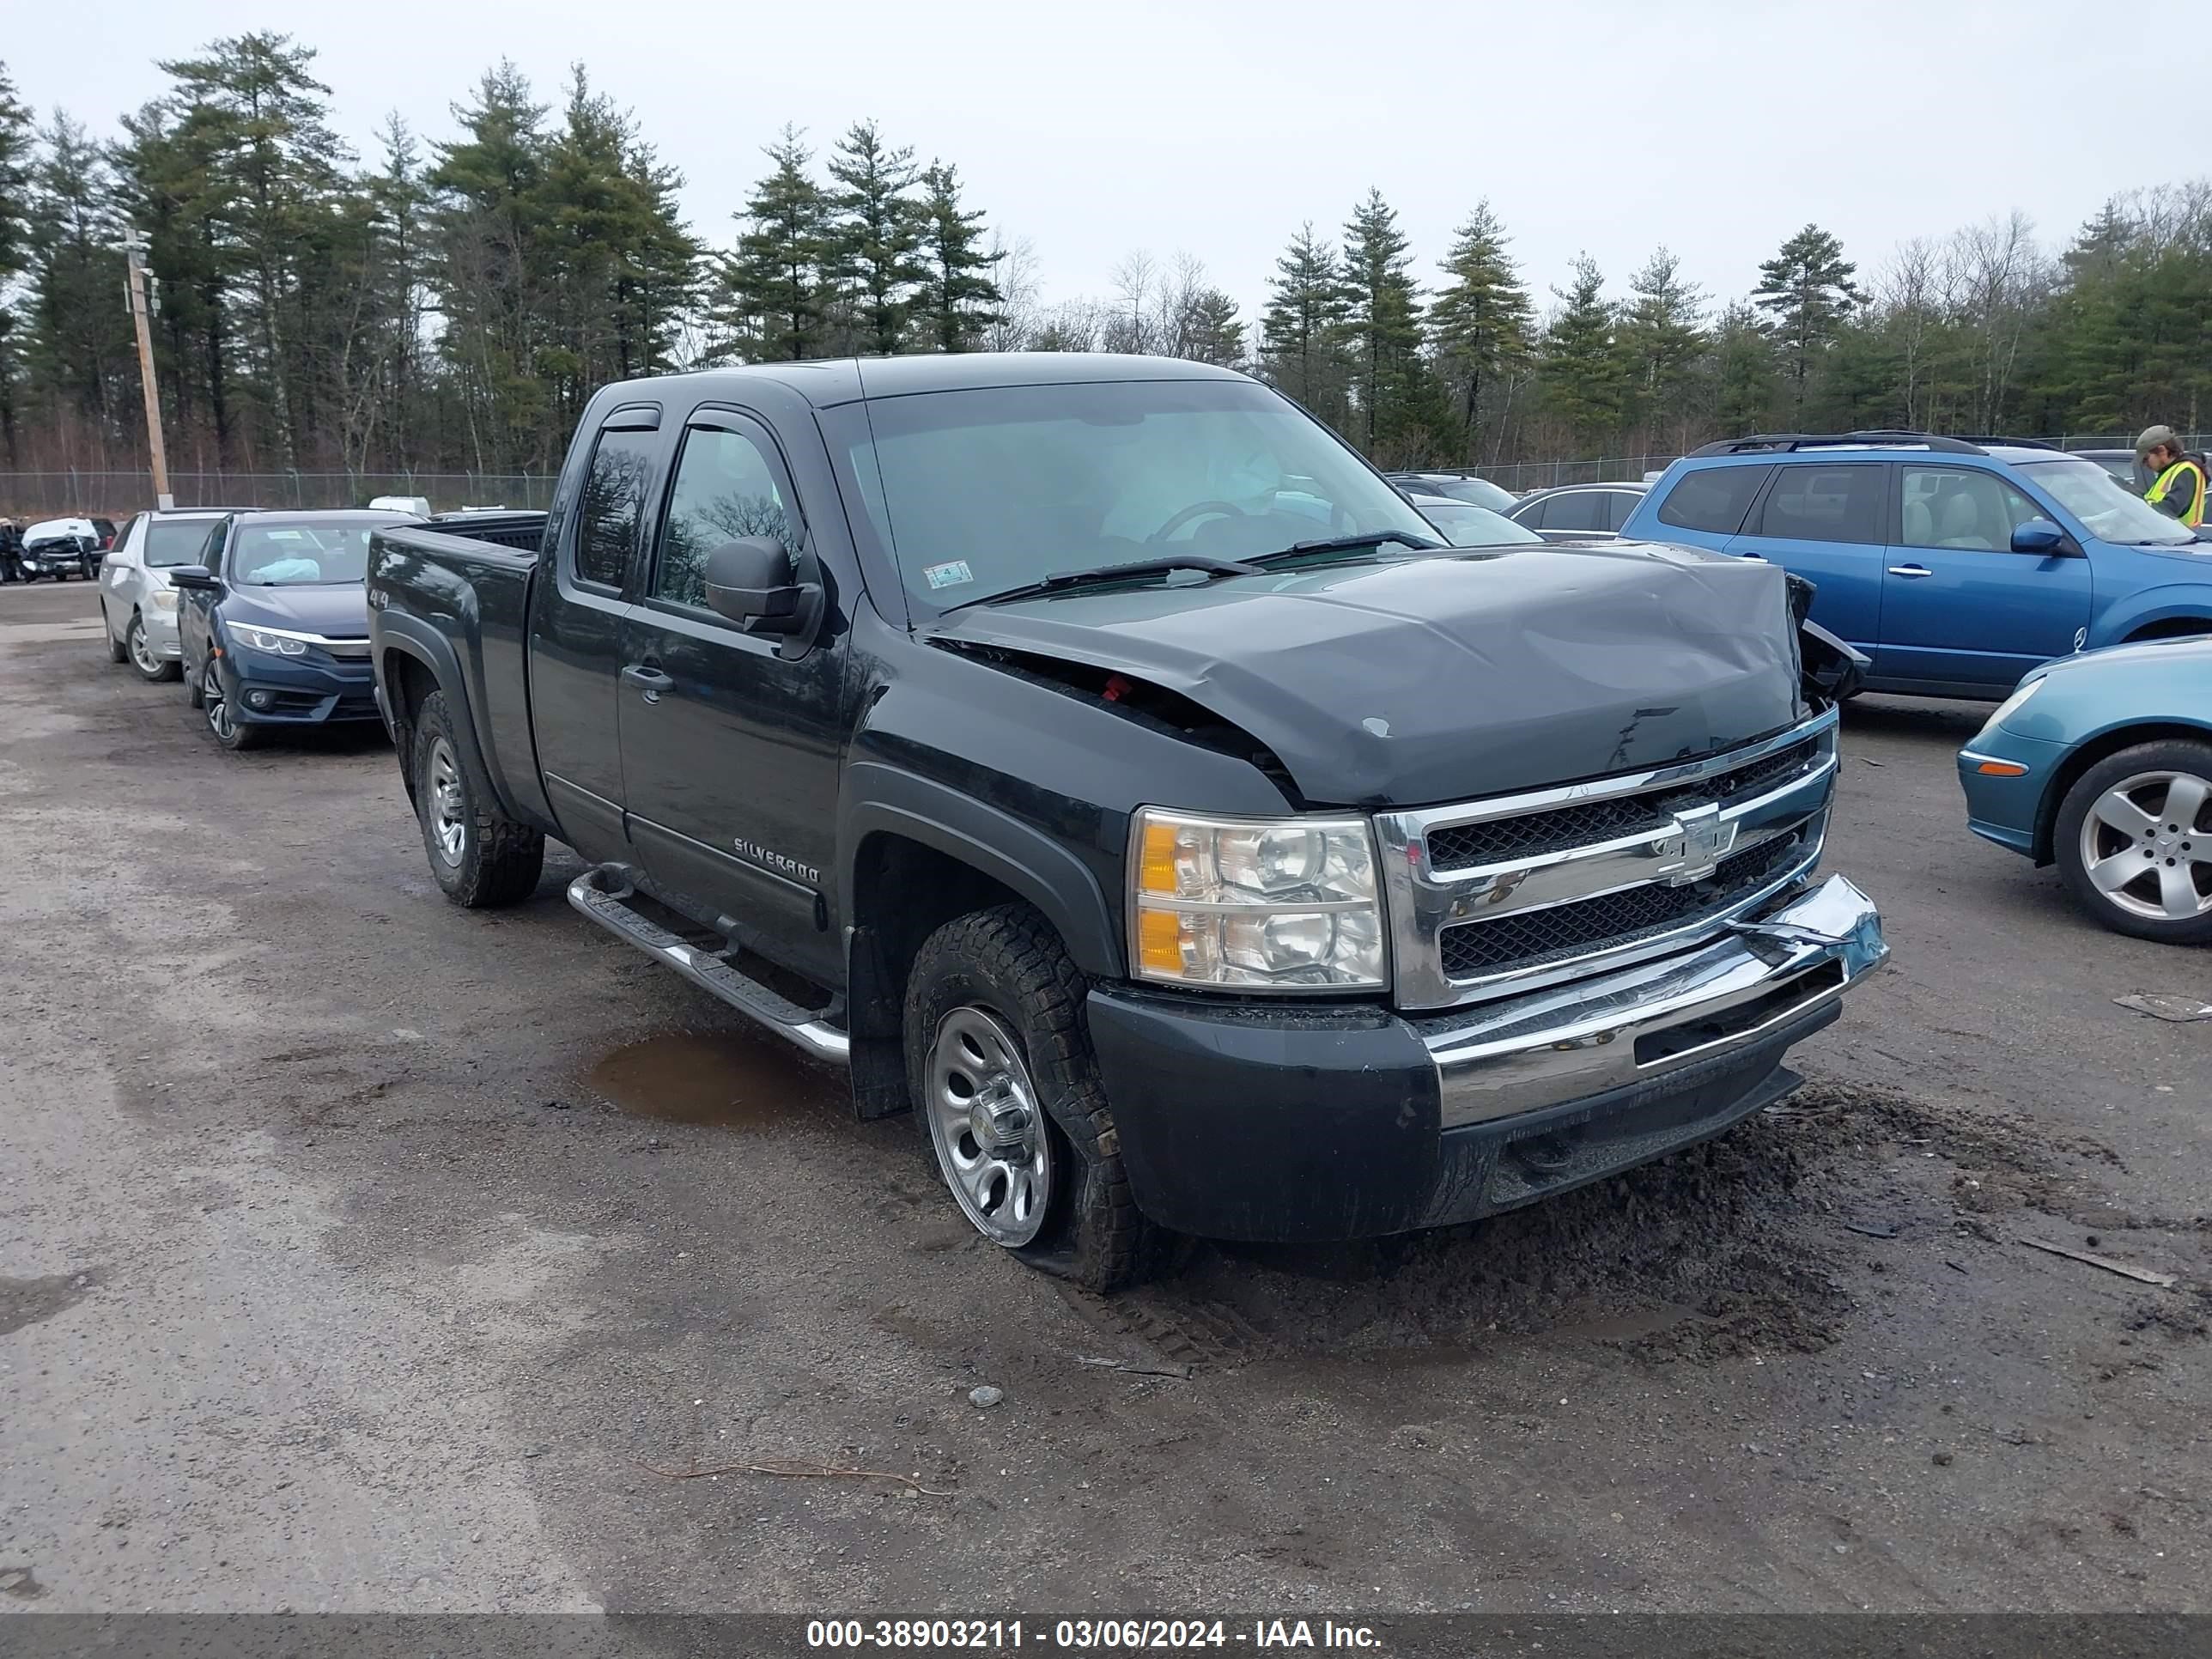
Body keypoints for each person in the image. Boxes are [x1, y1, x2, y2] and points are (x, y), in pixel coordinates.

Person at [2135, 425, 2207, 527]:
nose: (2144, 464)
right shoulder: (2171, 471)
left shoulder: (2186, 471)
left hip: (2176, 540)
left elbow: (2171, 509)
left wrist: (2135, 507)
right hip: (2168, 538)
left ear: (2162, 451)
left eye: (2146, 459)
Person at [0, 520, 22, 584]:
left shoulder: (5, 531)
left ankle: (9, 577)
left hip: (9, 549)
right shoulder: (13, 530)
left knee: (6, 564)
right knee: (11, 564)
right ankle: (11, 576)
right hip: (13, 549)